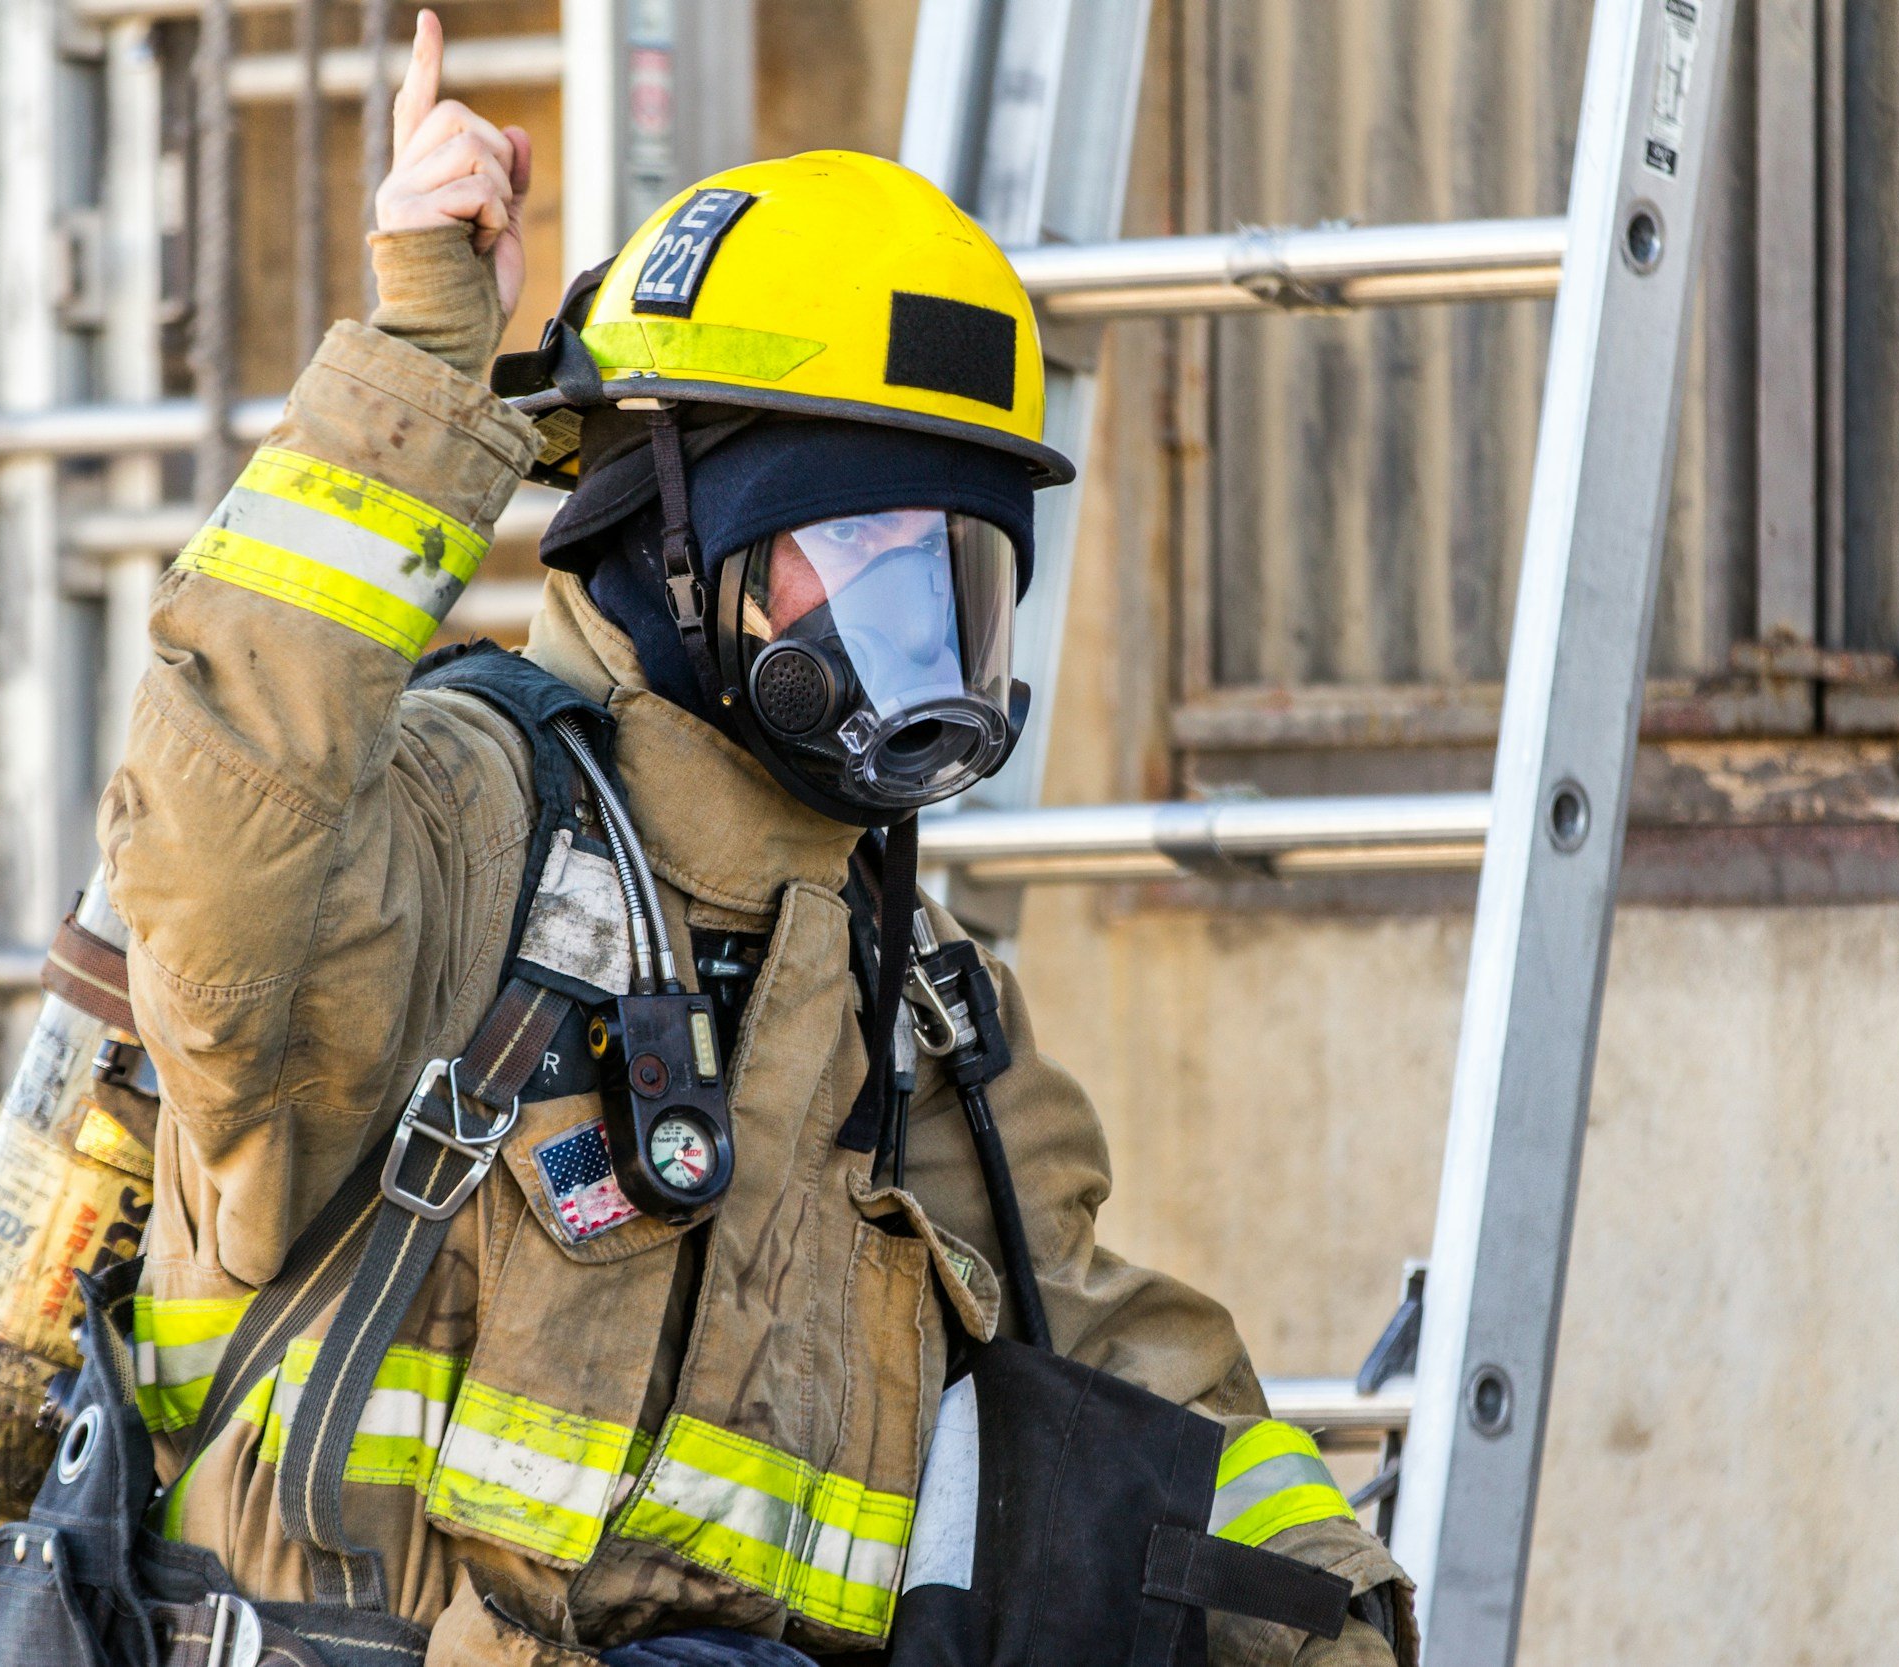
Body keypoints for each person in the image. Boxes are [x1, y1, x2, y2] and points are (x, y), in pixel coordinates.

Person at [104, 12, 1415, 1666]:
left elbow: (1111, 1368)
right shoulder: (449, 836)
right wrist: (420, 366)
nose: (919, 650)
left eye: (961, 582)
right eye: (863, 561)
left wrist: (1337, 1615)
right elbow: (226, 863)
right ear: (672, 535)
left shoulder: (902, 990)